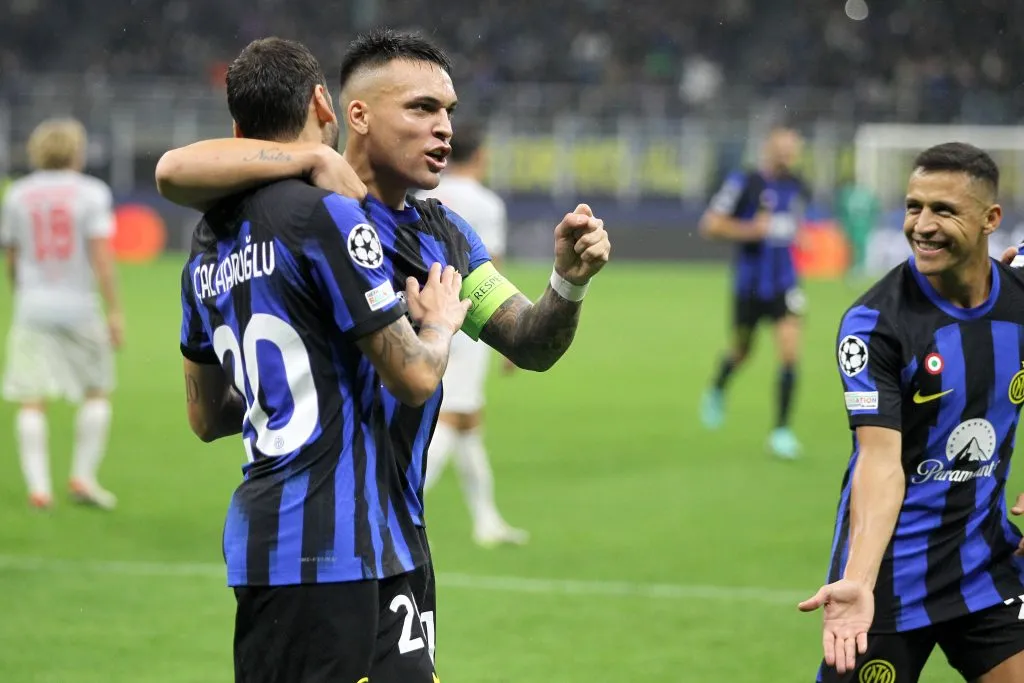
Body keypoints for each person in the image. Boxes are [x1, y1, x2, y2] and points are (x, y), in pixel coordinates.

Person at [157, 30, 610, 677]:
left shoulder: (442, 235)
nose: (444, 127)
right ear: (355, 114)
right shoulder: (315, 215)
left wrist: (568, 282)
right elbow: (175, 169)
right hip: (316, 549)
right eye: (422, 108)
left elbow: (529, 341)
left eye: (448, 111)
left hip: (397, 546)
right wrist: (433, 330)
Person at [173, 38, 465, 683]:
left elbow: (205, 416)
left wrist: (292, 379)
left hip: (283, 544)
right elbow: (416, 376)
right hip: (332, 547)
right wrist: (440, 324)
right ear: (324, 105)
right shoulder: (325, 214)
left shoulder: (205, 246)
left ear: (238, 133)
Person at [799, 142, 1024, 683]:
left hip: (985, 563)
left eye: (943, 210)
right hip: (888, 574)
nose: (922, 225)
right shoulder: (875, 324)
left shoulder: (1018, 300)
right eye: (913, 206)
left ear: (991, 219)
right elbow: (879, 461)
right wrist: (858, 579)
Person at [0, 117, 123, 510]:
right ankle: (82, 478)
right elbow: (102, 259)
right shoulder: (92, 193)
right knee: (96, 391)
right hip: (79, 306)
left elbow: (12, 257)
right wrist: (114, 311)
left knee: (31, 398)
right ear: (76, 152)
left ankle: (39, 489)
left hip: (33, 306)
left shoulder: (17, 193)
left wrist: (22, 296)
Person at [416, 121, 529, 548]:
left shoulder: (423, 194)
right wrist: (510, 334)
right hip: (470, 318)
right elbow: (490, 271)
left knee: (469, 423)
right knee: (454, 417)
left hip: (427, 309)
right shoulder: (486, 204)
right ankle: (395, 505)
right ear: (481, 156)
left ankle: (487, 520)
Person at [697, 126, 810, 459]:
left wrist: (797, 235)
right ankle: (718, 387)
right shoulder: (744, 182)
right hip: (749, 285)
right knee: (742, 350)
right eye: (783, 149)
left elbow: (794, 223)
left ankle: (781, 432)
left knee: (790, 353)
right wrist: (751, 230)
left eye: (794, 149)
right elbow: (710, 224)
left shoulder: (799, 186)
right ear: (769, 149)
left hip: (785, 284)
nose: (789, 155)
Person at [835, 175, 880, 280]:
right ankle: (853, 268)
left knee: (859, 247)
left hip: (861, 225)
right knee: (853, 247)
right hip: (856, 225)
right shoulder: (850, 194)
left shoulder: (856, 195)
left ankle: (858, 269)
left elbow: (874, 208)